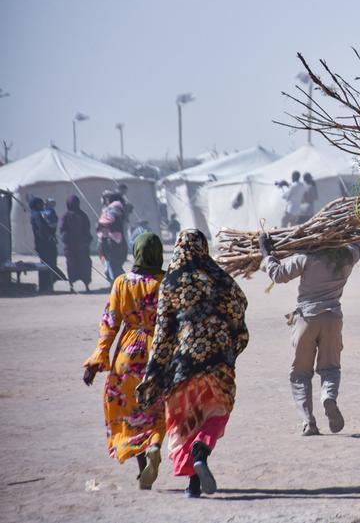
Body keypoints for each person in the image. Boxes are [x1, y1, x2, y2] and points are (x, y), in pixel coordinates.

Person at [136, 229, 249, 498]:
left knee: (183, 422)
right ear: (203, 247)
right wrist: (231, 344)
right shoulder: (221, 277)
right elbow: (239, 307)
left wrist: (155, 370)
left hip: (183, 363)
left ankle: (192, 485)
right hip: (218, 360)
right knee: (217, 410)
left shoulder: (172, 281)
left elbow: (163, 331)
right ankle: (202, 451)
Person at [258, 233, 360, 436]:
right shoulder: (348, 257)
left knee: (300, 373)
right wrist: (358, 228)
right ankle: (328, 396)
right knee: (331, 369)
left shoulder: (306, 257)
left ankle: (308, 422)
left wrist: (266, 253)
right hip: (333, 319)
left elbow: (279, 275)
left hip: (306, 320)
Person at [82, 232, 167, 489]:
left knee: (130, 412)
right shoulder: (167, 282)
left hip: (128, 356)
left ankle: (143, 469)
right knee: (159, 409)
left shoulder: (121, 283)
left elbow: (109, 323)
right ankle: (154, 444)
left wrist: (96, 362)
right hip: (160, 354)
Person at [60, 195, 93, 292]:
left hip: (79, 245)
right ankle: (73, 286)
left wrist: (86, 241)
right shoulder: (67, 216)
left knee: (83, 265)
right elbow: (63, 230)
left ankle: (84, 285)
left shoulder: (80, 215)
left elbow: (87, 229)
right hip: (73, 246)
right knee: (73, 265)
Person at [29, 198, 61, 293]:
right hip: (45, 244)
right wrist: (50, 235)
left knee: (45, 265)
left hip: (41, 243)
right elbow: (42, 229)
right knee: (48, 265)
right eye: (40, 203)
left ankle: (46, 286)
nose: (42, 205)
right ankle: (47, 286)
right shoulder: (37, 215)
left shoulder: (35, 214)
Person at [97, 196, 128, 284]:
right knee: (115, 265)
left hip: (112, 243)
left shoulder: (111, 213)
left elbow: (103, 226)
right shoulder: (119, 212)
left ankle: (119, 284)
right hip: (119, 243)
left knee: (113, 265)